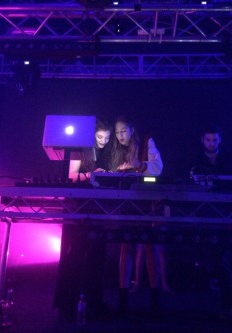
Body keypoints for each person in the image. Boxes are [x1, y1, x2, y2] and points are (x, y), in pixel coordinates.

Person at [105, 115, 164, 318]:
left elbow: (158, 168)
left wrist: (141, 164)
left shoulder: (147, 141)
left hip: (146, 201)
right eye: (118, 131)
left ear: (131, 129)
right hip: (126, 201)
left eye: (123, 131)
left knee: (150, 247)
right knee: (126, 246)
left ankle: (155, 301)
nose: (120, 135)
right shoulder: (116, 148)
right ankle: (123, 298)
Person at [53, 118, 111, 321]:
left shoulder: (102, 155)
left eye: (106, 138)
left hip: (94, 208)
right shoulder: (79, 151)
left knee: (95, 256)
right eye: (100, 137)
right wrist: (92, 175)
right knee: (74, 255)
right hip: (77, 208)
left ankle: (91, 301)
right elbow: (71, 176)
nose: (103, 141)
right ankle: (67, 304)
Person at [190, 123, 232, 319]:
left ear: (220, 140)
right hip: (204, 214)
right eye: (208, 139)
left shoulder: (228, 158)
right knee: (213, 258)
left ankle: (226, 305)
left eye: (214, 139)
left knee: (225, 257)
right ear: (202, 140)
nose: (211, 143)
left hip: (227, 213)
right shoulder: (195, 161)